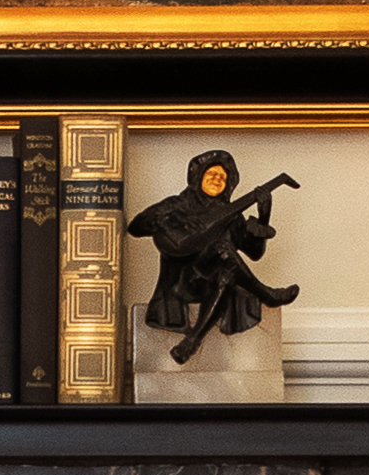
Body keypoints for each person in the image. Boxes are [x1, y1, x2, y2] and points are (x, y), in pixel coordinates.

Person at [128, 146, 300, 363]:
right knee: (221, 249)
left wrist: (264, 216)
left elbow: (255, 253)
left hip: (212, 287)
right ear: (199, 177)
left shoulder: (230, 214)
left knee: (225, 273)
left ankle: (191, 342)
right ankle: (266, 294)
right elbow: (135, 228)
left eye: (222, 177)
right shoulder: (176, 205)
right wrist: (166, 219)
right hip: (180, 286)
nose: (217, 179)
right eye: (212, 174)